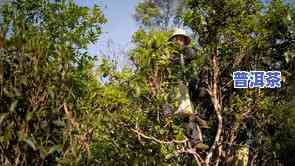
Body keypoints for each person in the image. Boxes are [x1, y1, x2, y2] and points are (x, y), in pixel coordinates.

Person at [167, 28, 209, 150]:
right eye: (176, 39)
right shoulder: (171, 56)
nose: (178, 41)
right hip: (181, 86)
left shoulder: (187, 50)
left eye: (180, 39)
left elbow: (193, 55)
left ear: (185, 40)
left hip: (192, 83)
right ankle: (196, 142)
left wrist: (181, 57)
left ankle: (200, 117)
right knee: (187, 114)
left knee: (205, 96)